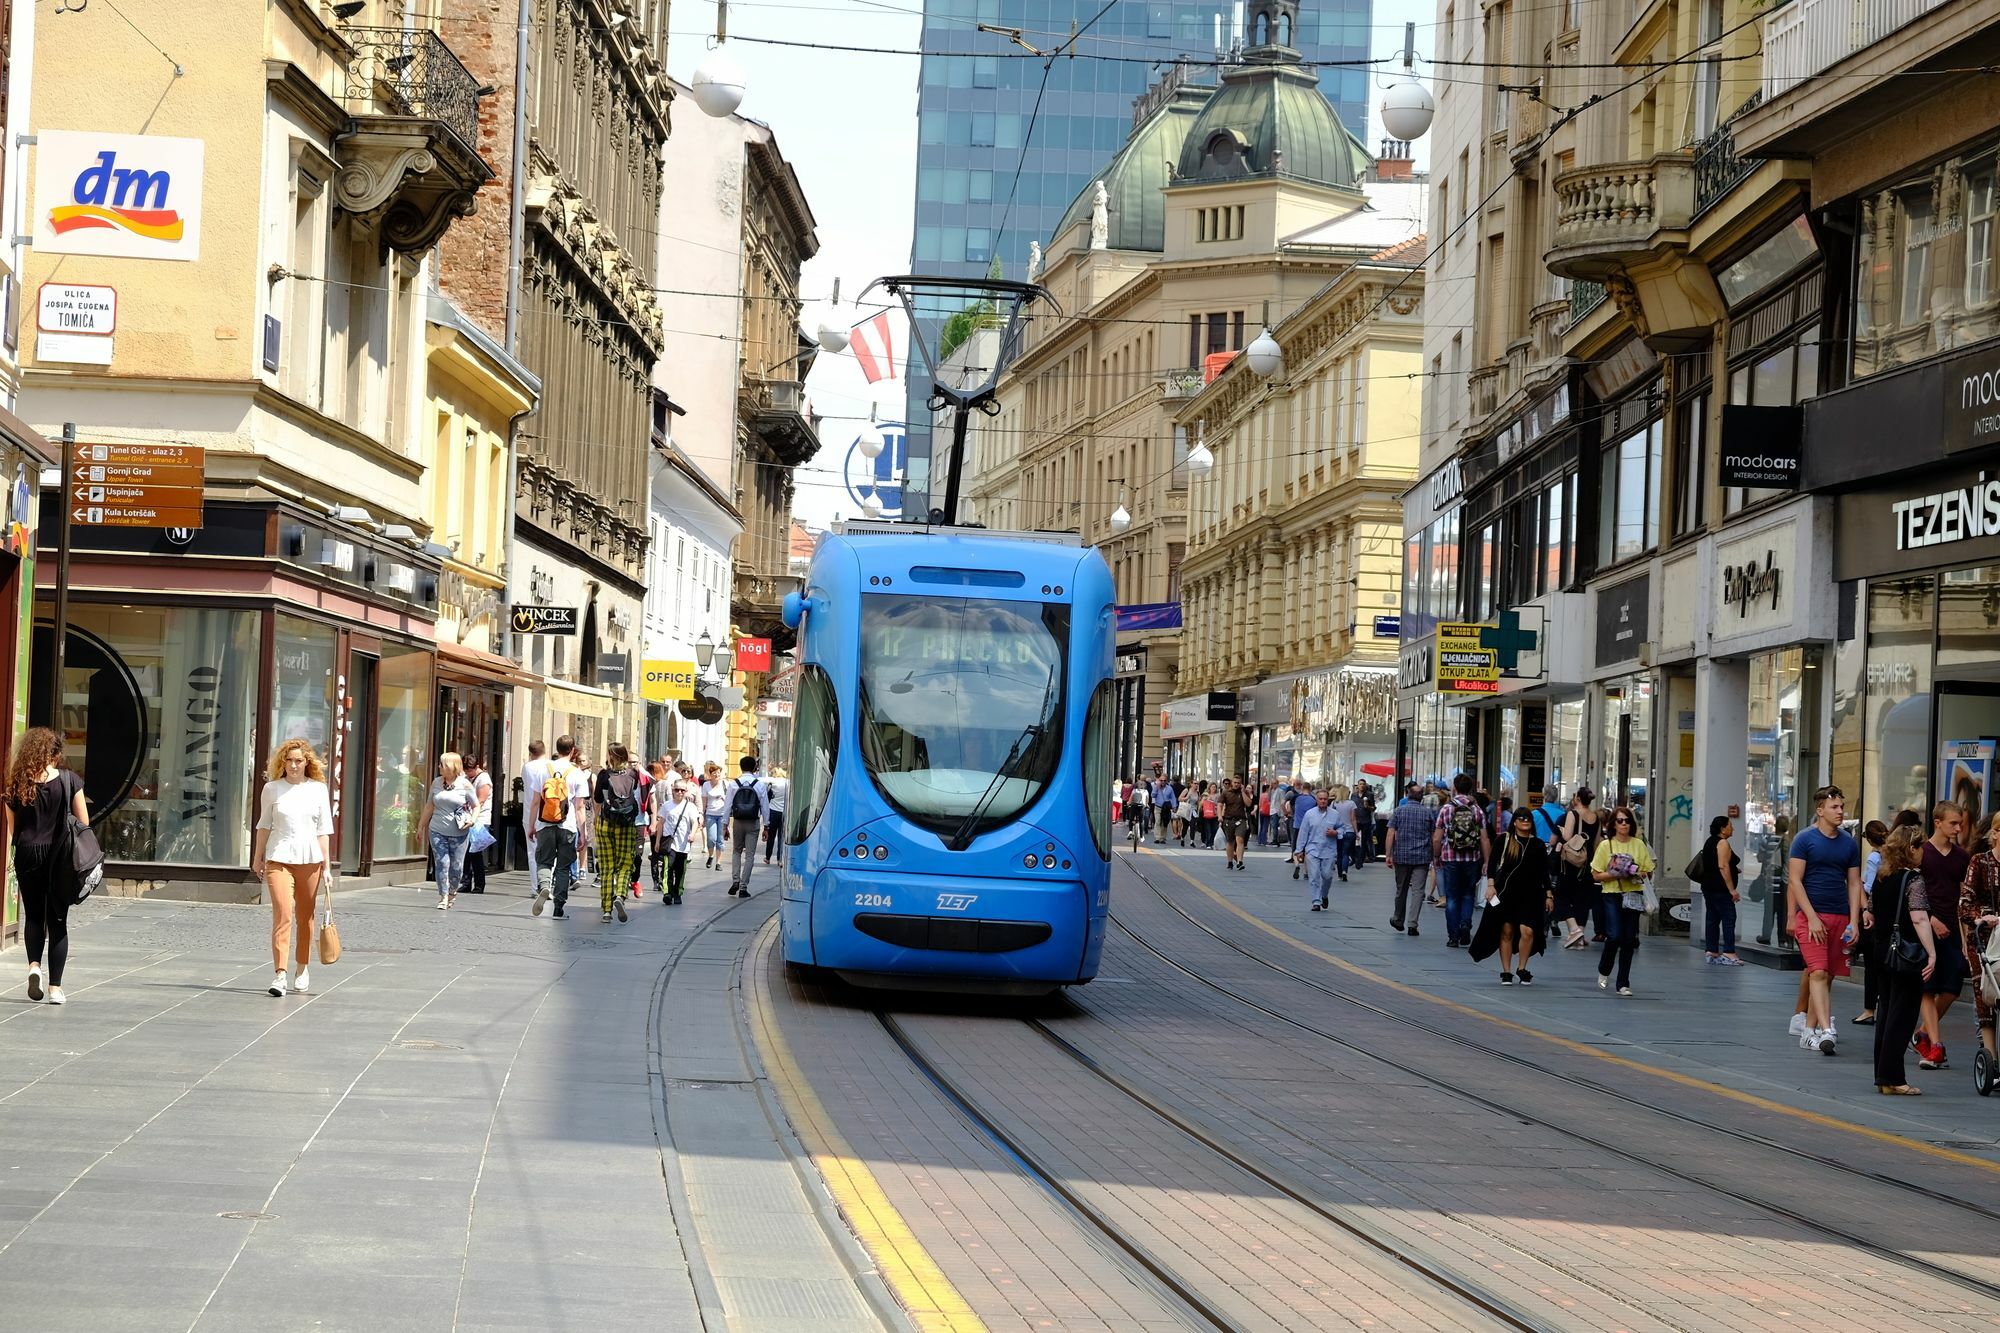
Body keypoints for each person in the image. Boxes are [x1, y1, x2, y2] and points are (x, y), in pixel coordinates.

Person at [3, 729, 90, 1006]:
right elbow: (84, 823)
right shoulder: (69, 780)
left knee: (34, 917)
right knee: (58, 921)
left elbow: (13, 829)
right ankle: (55, 989)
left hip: (27, 854)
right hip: (59, 856)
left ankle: (33, 967)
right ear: (54, 754)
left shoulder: (16, 783)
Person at [250, 738, 335, 998]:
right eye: (289, 760)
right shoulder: (272, 789)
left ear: (307, 762)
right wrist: (257, 857)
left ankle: (302, 968)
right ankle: (280, 974)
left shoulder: (318, 789)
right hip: (279, 857)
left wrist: (327, 867)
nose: (294, 765)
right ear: (282, 762)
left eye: (299, 760)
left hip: (310, 860)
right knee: (283, 913)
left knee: (305, 918)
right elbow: (264, 825)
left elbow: (323, 831)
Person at [1784, 785, 1865, 1056]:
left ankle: (1809, 1032)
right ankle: (1826, 1028)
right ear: (1820, 810)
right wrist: (1807, 916)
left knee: (1828, 974)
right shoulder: (1804, 840)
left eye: (1842, 807)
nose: (1840, 811)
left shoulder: (1849, 843)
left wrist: (1854, 920)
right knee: (1817, 971)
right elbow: (1794, 880)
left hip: (1840, 915)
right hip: (1811, 916)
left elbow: (1854, 883)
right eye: (1834, 807)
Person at [1873, 824, 1938, 1095]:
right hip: (1906, 953)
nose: (1923, 851)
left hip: (1882, 951)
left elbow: (1870, 909)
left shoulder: (1882, 876)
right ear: (1910, 849)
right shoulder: (1913, 880)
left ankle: (1884, 1077)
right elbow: (1919, 917)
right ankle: (1894, 1079)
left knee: (1887, 1012)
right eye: (1920, 846)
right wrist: (1932, 953)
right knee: (1903, 1015)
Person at [1915, 800, 1968, 1069]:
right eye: (1953, 823)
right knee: (1929, 985)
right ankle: (1935, 1046)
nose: (1958, 828)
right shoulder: (1922, 853)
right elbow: (1914, 891)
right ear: (1937, 822)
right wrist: (1931, 920)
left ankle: (1923, 1031)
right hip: (1925, 924)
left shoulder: (1961, 857)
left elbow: (1963, 897)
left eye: (1960, 823)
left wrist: (1966, 936)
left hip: (1952, 925)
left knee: (1953, 985)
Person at [1473, 806, 1549, 985]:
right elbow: (1492, 864)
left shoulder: (1537, 844)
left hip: (1531, 894)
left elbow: (1544, 872)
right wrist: (1491, 886)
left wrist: (1549, 895)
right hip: (1507, 893)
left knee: (1528, 931)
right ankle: (1506, 971)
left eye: (1528, 819)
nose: (1525, 821)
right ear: (1514, 821)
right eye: (1521, 818)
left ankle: (1522, 968)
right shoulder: (1504, 840)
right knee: (1506, 931)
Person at [1590, 806, 1654, 996]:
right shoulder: (1606, 845)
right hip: (1612, 893)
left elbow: (1648, 871)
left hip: (1633, 894)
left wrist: (1635, 872)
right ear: (1613, 824)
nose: (1624, 824)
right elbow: (1595, 875)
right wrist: (1614, 872)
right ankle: (1604, 969)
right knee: (1614, 935)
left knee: (1628, 939)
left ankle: (1623, 983)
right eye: (1620, 821)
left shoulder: (1638, 844)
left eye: (1627, 820)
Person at [528, 735, 590, 919]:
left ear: (556, 748)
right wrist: (583, 833)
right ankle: (559, 908)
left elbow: (535, 802)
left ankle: (545, 886)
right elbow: (579, 807)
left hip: (544, 824)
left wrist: (531, 826)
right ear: (572, 751)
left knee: (544, 861)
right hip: (568, 826)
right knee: (563, 867)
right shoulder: (577, 773)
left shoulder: (543, 770)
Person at [1431, 774, 1492, 949]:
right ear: (1470, 788)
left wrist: (1436, 857)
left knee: (1452, 897)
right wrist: (1487, 861)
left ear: (1455, 788)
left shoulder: (1447, 809)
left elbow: (1437, 838)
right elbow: (1485, 839)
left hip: (1450, 859)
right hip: (1471, 859)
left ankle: (1453, 936)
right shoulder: (1477, 810)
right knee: (1467, 895)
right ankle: (1465, 923)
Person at [1958, 812, 2000, 1064]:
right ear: (1995, 833)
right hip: (1984, 938)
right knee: (1985, 994)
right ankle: (1991, 1057)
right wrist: (1982, 917)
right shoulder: (1980, 862)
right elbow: (1965, 903)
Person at [593, 743, 643, 924]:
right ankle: (620, 896)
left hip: (606, 823)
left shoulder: (604, 775)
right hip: (626, 824)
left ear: (611, 756)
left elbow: (598, 798)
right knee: (625, 864)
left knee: (607, 868)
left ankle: (606, 911)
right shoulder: (632, 774)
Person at [422, 752, 477, 911]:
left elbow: (476, 805)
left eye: (442, 764)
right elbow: (429, 806)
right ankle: (443, 896)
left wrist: (472, 819)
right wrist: (421, 826)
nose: (439, 766)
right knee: (442, 863)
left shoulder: (465, 785)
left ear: (451, 767)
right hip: (437, 829)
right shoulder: (436, 783)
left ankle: (453, 891)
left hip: (459, 833)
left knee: (457, 866)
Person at [1554, 788, 1604, 949]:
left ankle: (1574, 929)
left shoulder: (1573, 814)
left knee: (1562, 896)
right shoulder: (1596, 817)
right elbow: (1597, 842)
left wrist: (1562, 833)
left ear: (1577, 798)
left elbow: (1567, 837)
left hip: (1571, 861)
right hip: (1588, 861)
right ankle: (1579, 938)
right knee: (1582, 899)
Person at [1852, 820, 1890, 1022]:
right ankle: (1884, 1006)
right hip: (1889, 913)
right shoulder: (1892, 855)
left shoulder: (1874, 857)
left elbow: (1869, 887)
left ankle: (1869, 1010)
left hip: (1874, 913)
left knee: (1871, 964)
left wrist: (1865, 907)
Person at [1385, 782, 1435, 937]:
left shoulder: (1399, 811)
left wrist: (1388, 854)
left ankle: (1398, 919)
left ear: (1407, 795)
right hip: (1421, 857)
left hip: (1402, 856)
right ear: (1421, 798)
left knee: (1402, 889)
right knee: (1418, 891)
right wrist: (1434, 855)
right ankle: (1413, 924)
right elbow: (1433, 836)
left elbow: (1391, 833)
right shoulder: (1428, 814)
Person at [1696, 814, 1744, 966]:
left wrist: (1733, 868)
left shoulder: (1710, 842)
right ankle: (1729, 952)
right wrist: (1732, 890)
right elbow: (1722, 866)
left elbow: (1714, 863)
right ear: (1723, 829)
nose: (1733, 828)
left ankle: (1712, 951)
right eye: (1730, 825)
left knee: (1712, 918)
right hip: (1720, 888)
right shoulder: (1722, 843)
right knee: (1729, 918)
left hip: (1708, 886)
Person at [727, 756, 770, 896]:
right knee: (750, 855)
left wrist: (724, 825)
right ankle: (744, 887)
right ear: (754, 768)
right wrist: (767, 826)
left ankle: (735, 881)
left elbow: (727, 806)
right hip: (753, 821)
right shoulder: (759, 784)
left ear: (740, 767)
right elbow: (765, 807)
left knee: (736, 851)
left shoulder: (734, 784)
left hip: (738, 821)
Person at [655, 778, 699, 905]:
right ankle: (667, 893)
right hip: (670, 842)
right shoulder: (667, 806)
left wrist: (692, 833)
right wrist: (658, 841)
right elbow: (661, 824)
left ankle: (677, 892)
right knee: (668, 867)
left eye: (682, 790)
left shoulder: (690, 807)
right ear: (673, 791)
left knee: (680, 870)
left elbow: (695, 822)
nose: (679, 792)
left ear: (686, 792)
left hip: (683, 844)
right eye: (677, 790)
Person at [1295, 790, 1339, 911]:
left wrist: (1336, 832)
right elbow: (1303, 832)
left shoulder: (1335, 814)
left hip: (1329, 850)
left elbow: (1343, 829)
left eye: (1325, 799)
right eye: (1321, 799)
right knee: (1314, 876)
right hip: (1312, 849)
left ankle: (1324, 895)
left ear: (1328, 800)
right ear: (1317, 800)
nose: (1323, 801)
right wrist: (1299, 850)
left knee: (1327, 876)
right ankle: (1316, 901)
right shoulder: (1309, 814)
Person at [460, 755, 494, 894]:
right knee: (466, 853)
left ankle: (479, 884)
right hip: (467, 818)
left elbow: (480, 800)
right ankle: (466, 882)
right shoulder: (467, 778)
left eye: (470, 770)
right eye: (466, 770)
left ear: (477, 767)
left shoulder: (483, 779)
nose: (468, 773)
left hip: (480, 819)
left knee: (475, 852)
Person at [700, 762, 730, 870]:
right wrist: (701, 815)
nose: (717, 775)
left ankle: (718, 863)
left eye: (718, 773)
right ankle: (711, 856)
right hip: (710, 814)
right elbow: (704, 801)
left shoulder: (725, 784)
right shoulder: (706, 785)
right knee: (711, 838)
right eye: (714, 773)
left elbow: (730, 800)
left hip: (722, 815)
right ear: (710, 774)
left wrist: (723, 797)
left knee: (720, 839)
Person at [1219, 776, 1251, 869]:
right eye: (1235, 782)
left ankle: (1240, 861)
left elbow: (1248, 803)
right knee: (1230, 842)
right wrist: (1220, 816)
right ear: (1232, 783)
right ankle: (1230, 861)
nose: (1236, 784)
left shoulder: (1244, 793)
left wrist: (1242, 792)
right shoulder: (1226, 792)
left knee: (1240, 839)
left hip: (1241, 820)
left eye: (1238, 783)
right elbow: (1220, 804)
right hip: (1228, 820)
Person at [1329, 784, 1359, 881]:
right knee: (1346, 853)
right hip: (1349, 831)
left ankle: (1339, 874)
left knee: (1339, 853)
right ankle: (1344, 871)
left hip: (1338, 832)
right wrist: (1356, 831)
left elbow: (1331, 819)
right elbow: (1353, 819)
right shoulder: (1351, 804)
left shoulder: (1334, 803)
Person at [763, 767, 790, 864]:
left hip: (773, 811)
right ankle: (779, 859)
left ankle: (768, 858)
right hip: (784, 812)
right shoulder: (788, 783)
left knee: (771, 836)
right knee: (781, 837)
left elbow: (762, 783)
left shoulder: (773, 782)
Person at [1289, 781, 1316, 879]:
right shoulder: (1313, 799)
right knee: (1307, 850)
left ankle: (1296, 865)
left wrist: (1293, 814)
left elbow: (1289, 805)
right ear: (1310, 789)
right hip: (1309, 827)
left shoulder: (1296, 797)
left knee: (1296, 847)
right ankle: (1306, 872)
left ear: (1302, 788)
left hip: (1297, 825)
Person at [1355, 781, 1379, 865]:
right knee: (1354, 838)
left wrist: (1367, 807)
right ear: (1358, 785)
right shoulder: (1354, 795)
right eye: (1360, 784)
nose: (1362, 786)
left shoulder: (1369, 794)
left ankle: (1364, 858)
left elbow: (1373, 808)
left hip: (1366, 820)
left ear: (1365, 786)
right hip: (1356, 820)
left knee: (1365, 840)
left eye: (1363, 784)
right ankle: (1356, 857)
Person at [1151, 773, 1174, 844]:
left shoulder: (1169, 788)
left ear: (1166, 781)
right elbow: (1153, 795)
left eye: (1164, 780)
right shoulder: (1156, 787)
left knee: (1164, 823)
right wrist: (1156, 788)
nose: (1163, 782)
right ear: (1159, 780)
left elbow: (1172, 798)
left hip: (1166, 808)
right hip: (1158, 807)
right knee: (1157, 822)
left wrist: (1174, 806)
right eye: (1161, 780)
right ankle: (1157, 837)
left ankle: (1163, 838)